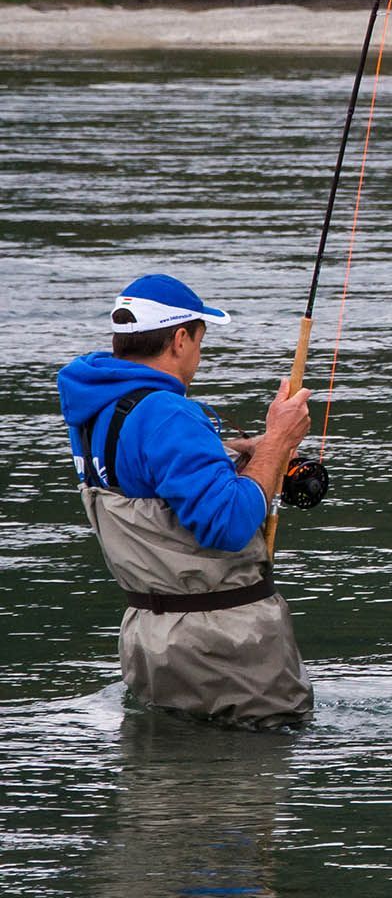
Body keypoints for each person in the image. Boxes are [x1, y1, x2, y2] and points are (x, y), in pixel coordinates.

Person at [56, 274, 315, 727]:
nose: (198, 354)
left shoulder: (98, 408)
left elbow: (142, 476)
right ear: (179, 338)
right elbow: (230, 524)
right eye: (199, 340)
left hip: (149, 640)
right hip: (222, 649)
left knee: (161, 788)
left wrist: (238, 453)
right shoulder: (167, 412)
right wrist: (277, 442)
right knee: (253, 779)